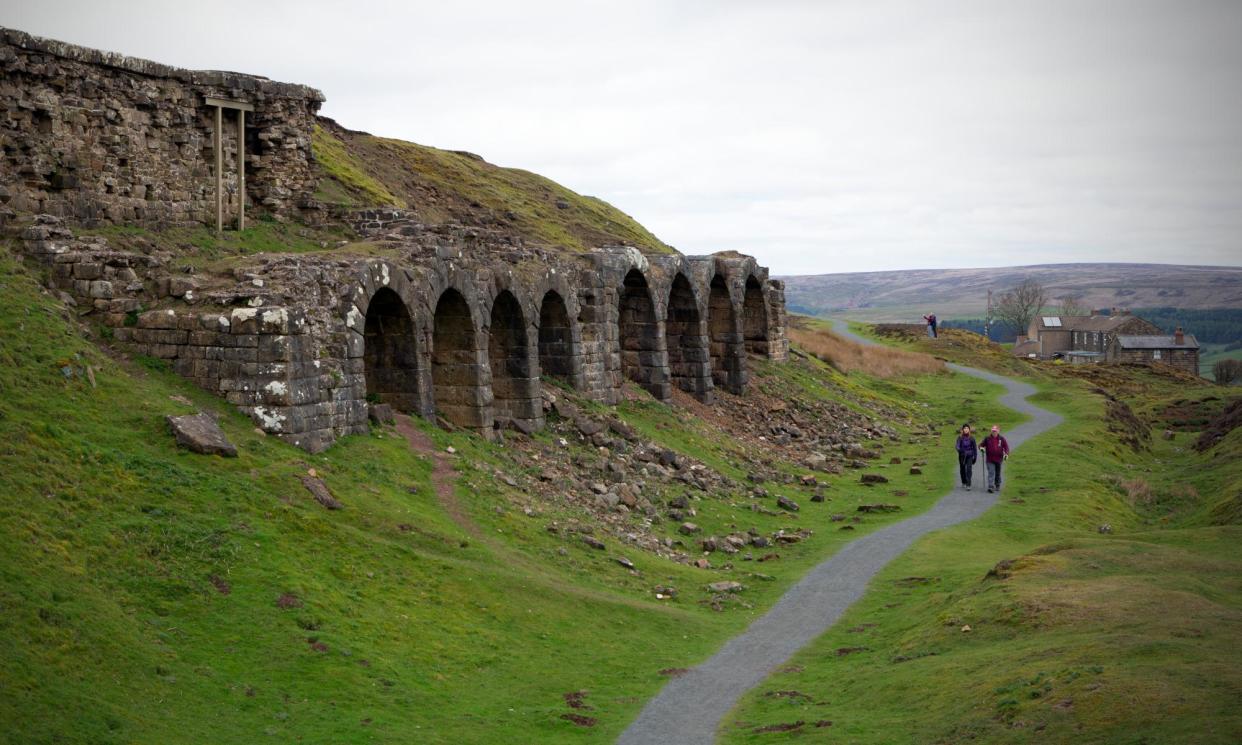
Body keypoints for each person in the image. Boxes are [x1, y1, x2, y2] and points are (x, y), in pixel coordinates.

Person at [979, 425, 1010, 493]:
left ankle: (997, 484)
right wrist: (981, 448)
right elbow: (981, 445)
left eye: (995, 431)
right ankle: (990, 486)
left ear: (998, 431)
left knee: (998, 473)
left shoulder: (1002, 439)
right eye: (993, 431)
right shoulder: (987, 438)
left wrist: (1006, 454)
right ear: (991, 431)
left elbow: (1006, 447)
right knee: (991, 472)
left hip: (999, 459)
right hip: (990, 459)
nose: (994, 432)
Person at [955, 424, 977, 490]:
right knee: (962, 469)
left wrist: (975, 457)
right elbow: (957, 446)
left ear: (969, 430)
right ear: (962, 430)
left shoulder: (972, 438)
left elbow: (975, 448)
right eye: (965, 428)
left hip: (970, 455)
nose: (966, 429)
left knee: (969, 469)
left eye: (967, 428)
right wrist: (959, 450)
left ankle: (968, 484)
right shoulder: (960, 437)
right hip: (962, 455)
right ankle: (963, 482)